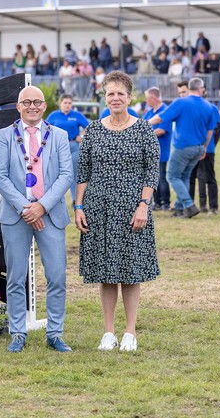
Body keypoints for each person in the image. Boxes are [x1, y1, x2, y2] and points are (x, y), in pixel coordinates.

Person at [75, 71, 159, 352]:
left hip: (134, 210)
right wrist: (78, 206)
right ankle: (108, 332)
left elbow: (152, 171)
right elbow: (83, 171)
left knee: (131, 272)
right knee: (106, 272)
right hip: (99, 209)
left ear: (129, 96)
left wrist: (144, 205)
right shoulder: (94, 129)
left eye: (120, 93)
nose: (115, 98)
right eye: (110, 93)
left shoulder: (144, 129)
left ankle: (130, 332)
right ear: (104, 96)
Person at [0, 86, 74, 353]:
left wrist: (41, 206)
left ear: (44, 106)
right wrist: (26, 208)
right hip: (17, 215)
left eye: (37, 102)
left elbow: (66, 175)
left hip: (50, 214)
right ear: (18, 106)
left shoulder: (59, 135)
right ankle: (17, 332)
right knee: (16, 277)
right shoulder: (5, 136)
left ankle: (55, 333)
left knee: (56, 276)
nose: (32, 106)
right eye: (26, 102)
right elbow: (0, 176)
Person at [148, 78, 215, 218]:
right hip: (198, 148)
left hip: (183, 147)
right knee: (183, 176)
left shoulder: (181, 102)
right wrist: (204, 147)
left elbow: (161, 117)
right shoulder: (208, 106)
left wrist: (144, 124)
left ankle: (189, 205)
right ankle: (179, 208)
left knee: (171, 175)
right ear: (201, 89)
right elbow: (210, 130)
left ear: (189, 88)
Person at [46, 94, 90, 206]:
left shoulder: (76, 115)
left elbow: (89, 127)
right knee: (55, 173)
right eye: (65, 103)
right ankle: (53, 199)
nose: (67, 105)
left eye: (70, 103)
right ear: (60, 103)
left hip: (74, 145)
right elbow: (45, 129)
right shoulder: (54, 115)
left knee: (74, 173)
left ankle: (76, 200)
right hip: (58, 147)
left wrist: (82, 136)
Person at [143, 87, 172, 210]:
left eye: (147, 98)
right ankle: (156, 202)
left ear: (153, 98)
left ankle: (165, 202)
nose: (146, 101)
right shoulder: (149, 113)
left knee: (162, 177)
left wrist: (145, 134)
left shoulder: (165, 111)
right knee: (152, 178)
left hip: (161, 149)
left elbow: (162, 130)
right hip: (149, 151)